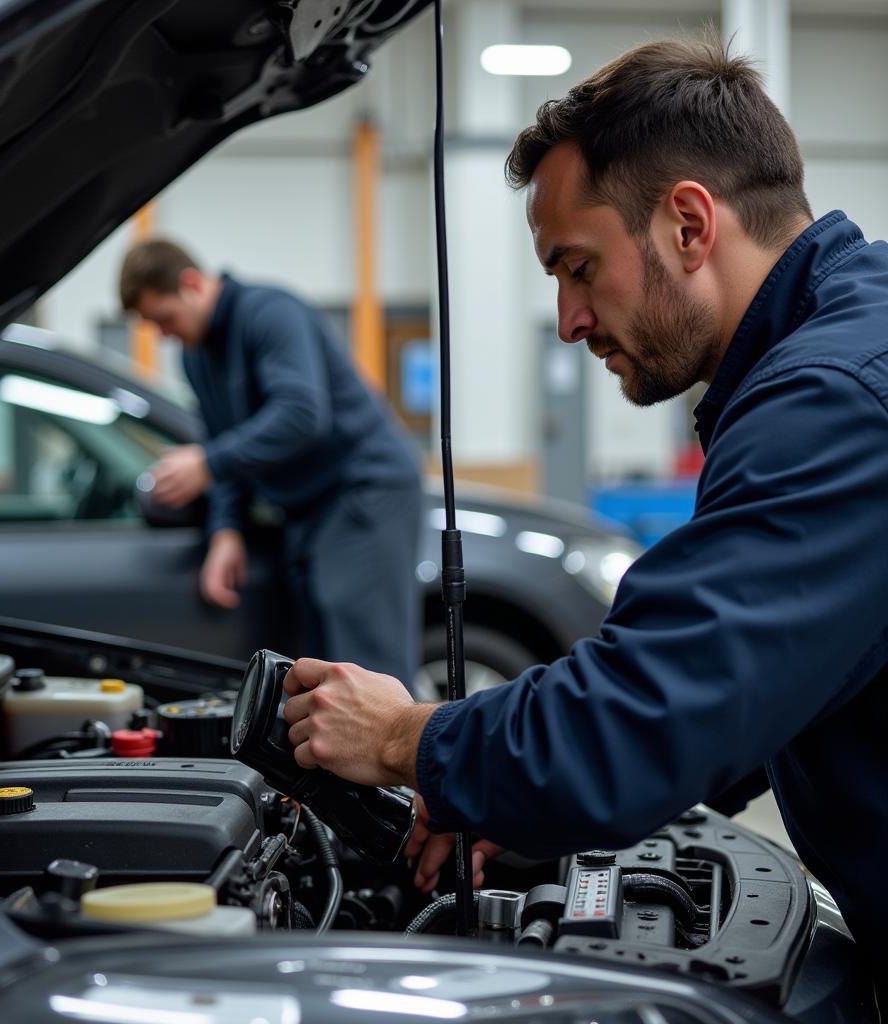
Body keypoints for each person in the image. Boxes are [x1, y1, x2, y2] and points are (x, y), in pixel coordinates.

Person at [279, 36, 888, 980]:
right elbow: (750, 692)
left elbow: (651, 708)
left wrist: (408, 738)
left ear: (690, 223)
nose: (567, 319)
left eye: (577, 267)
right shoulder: (833, 354)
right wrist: (506, 802)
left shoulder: (838, 400)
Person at [119, 241, 422, 685]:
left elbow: (301, 414)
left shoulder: (269, 314)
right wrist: (226, 531)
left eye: (165, 319)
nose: (164, 334)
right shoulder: (196, 355)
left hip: (362, 491)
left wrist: (207, 464)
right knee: (325, 676)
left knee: (367, 669)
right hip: (306, 509)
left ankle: (393, 754)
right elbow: (222, 443)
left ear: (192, 284)